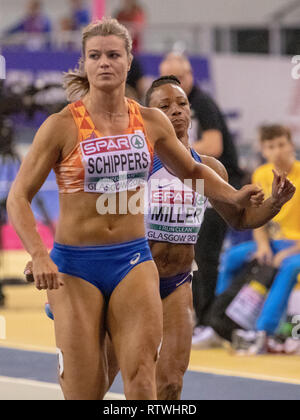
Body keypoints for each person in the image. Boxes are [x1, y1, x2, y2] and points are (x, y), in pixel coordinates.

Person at [8, 17, 266, 401]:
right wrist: (39, 253)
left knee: (143, 383)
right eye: (94, 56)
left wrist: (232, 195)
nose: (104, 63)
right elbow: (18, 197)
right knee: (86, 390)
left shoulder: (149, 121)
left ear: (129, 61)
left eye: (113, 55)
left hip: (132, 259)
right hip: (76, 266)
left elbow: (193, 170)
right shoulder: (61, 126)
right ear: (84, 63)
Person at [160, 54, 244, 347]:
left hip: (219, 184)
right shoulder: (165, 108)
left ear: (190, 76)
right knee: (188, 254)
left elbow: (214, 144)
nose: (174, 85)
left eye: (178, 78)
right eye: (167, 79)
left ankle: (207, 320)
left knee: (206, 256)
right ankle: (194, 316)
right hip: (194, 186)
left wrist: (176, 150)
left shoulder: (201, 103)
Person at [213, 124, 300, 347]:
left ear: (291, 145)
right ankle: (219, 321)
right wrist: (263, 247)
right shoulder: (261, 174)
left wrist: (287, 253)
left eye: (282, 144)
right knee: (232, 256)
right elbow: (257, 218)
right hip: (271, 243)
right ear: (263, 150)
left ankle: (263, 331)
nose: (278, 151)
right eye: (271, 146)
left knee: (288, 266)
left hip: (295, 247)